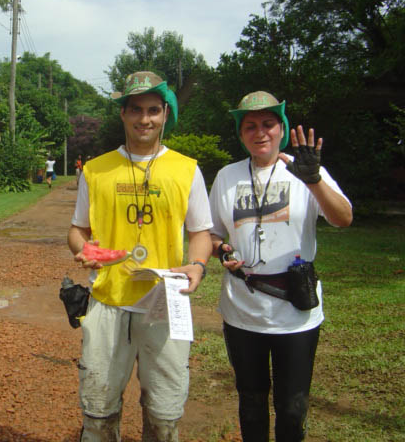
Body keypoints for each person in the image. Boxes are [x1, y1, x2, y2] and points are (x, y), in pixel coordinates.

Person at [67, 71, 213, 441]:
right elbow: (77, 229)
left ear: (165, 114)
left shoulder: (187, 170)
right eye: (135, 110)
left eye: (152, 110)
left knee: (164, 415)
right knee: (98, 411)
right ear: (123, 115)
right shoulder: (96, 170)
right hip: (107, 300)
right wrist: (85, 249)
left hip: (164, 303)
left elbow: (199, 233)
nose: (144, 119)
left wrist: (197, 265)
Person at [208, 91, 353, 441]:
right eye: (250, 126)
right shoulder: (227, 177)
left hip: (295, 312)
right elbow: (212, 232)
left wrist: (314, 179)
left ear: (282, 129)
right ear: (241, 134)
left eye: (268, 124)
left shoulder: (304, 170)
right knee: (251, 401)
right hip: (242, 309)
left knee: (292, 407)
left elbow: (343, 218)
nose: (260, 133)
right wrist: (221, 249)